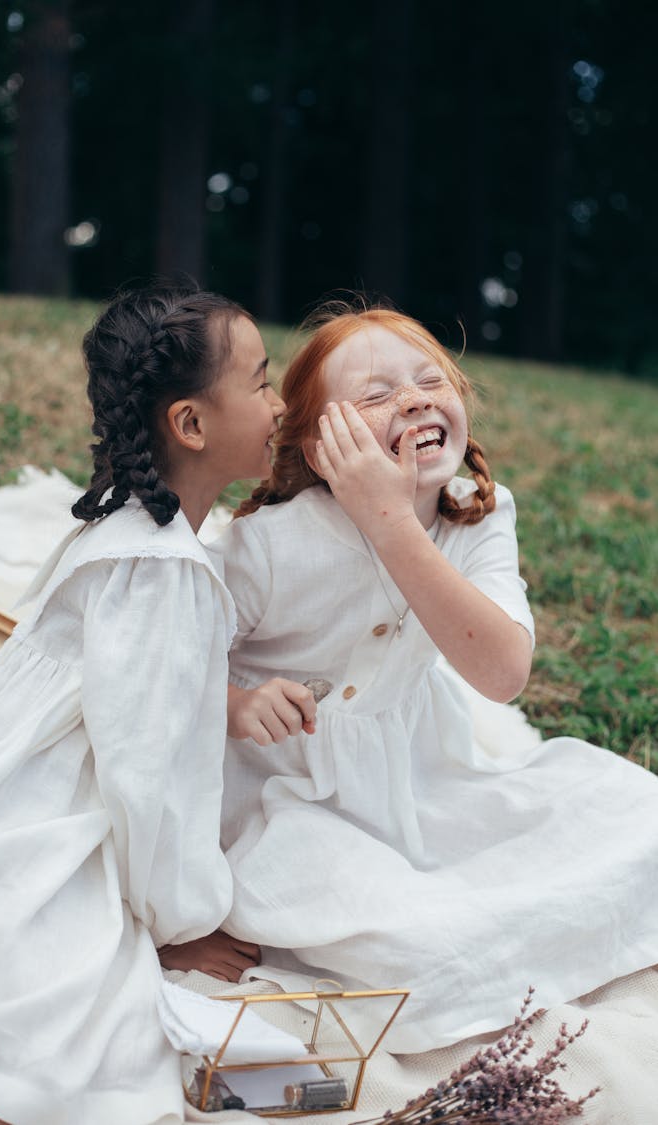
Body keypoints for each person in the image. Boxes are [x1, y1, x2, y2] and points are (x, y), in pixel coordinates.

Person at [211, 301, 658, 1054]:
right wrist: (234, 703)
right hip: (278, 795)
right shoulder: (268, 546)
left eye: (430, 380)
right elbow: (166, 667)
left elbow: (504, 672)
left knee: (636, 814)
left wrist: (392, 520)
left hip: (419, 780)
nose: (415, 398)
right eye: (377, 394)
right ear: (321, 449)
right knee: (428, 951)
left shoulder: (476, 515)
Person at [0, 283, 283, 1125]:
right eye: (261, 382)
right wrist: (179, 918)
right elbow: (148, 775)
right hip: (38, 804)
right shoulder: (166, 571)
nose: (280, 402)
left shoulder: (121, 526)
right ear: (190, 424)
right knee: (65, 1034)